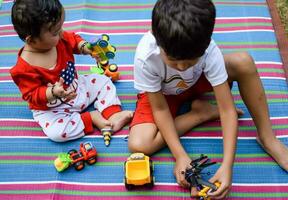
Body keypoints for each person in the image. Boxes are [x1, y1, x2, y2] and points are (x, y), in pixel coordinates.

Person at [128, 0, 288, 198]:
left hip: (197, 82)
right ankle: (200, 114)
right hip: (162, 94)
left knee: (243, 62)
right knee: (139, 144)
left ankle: (268, 138)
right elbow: (159, 109)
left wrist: (227, 165)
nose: (181, 67)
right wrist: (180, 155)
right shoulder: (146, 56)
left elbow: (227, 110)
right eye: (173, 61)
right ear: (156, 38)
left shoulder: (209, 51)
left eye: (189, 61)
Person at [10, 0, 133, 142]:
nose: (61, 32)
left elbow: (73, 39)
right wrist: (52, 92)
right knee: (57, 133)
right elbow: (32, 95)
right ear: (31, 40)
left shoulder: (59, 38)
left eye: (61, 27)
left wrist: (85, 47)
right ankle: (91, 118)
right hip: (52, 109)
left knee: (103, 81)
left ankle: (112, 114)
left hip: (77, 88)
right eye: (56, 31)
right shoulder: (23, 69)